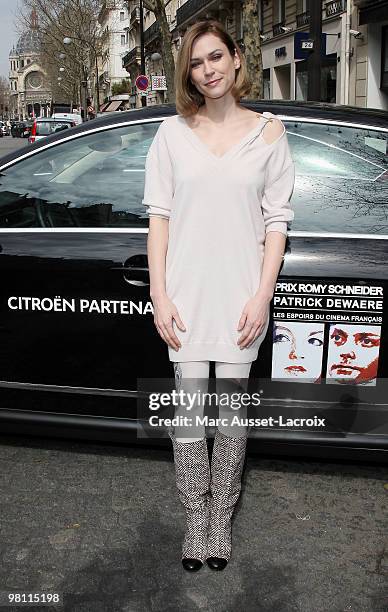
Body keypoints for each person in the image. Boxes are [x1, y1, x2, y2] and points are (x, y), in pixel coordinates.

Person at [142, 19, 295, 572]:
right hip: (184, 298)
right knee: (188, 418)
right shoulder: (171, 135)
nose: (207, 70)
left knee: (230, 416)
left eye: (215, 57)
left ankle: (220, 520)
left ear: (235, 59)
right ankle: (194, 519)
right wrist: (160, 294)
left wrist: (261, 295)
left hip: (238, 301)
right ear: (190, 73)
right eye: (196, 63)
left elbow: (276, 222)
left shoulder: (270, 134)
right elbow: (158, 219)